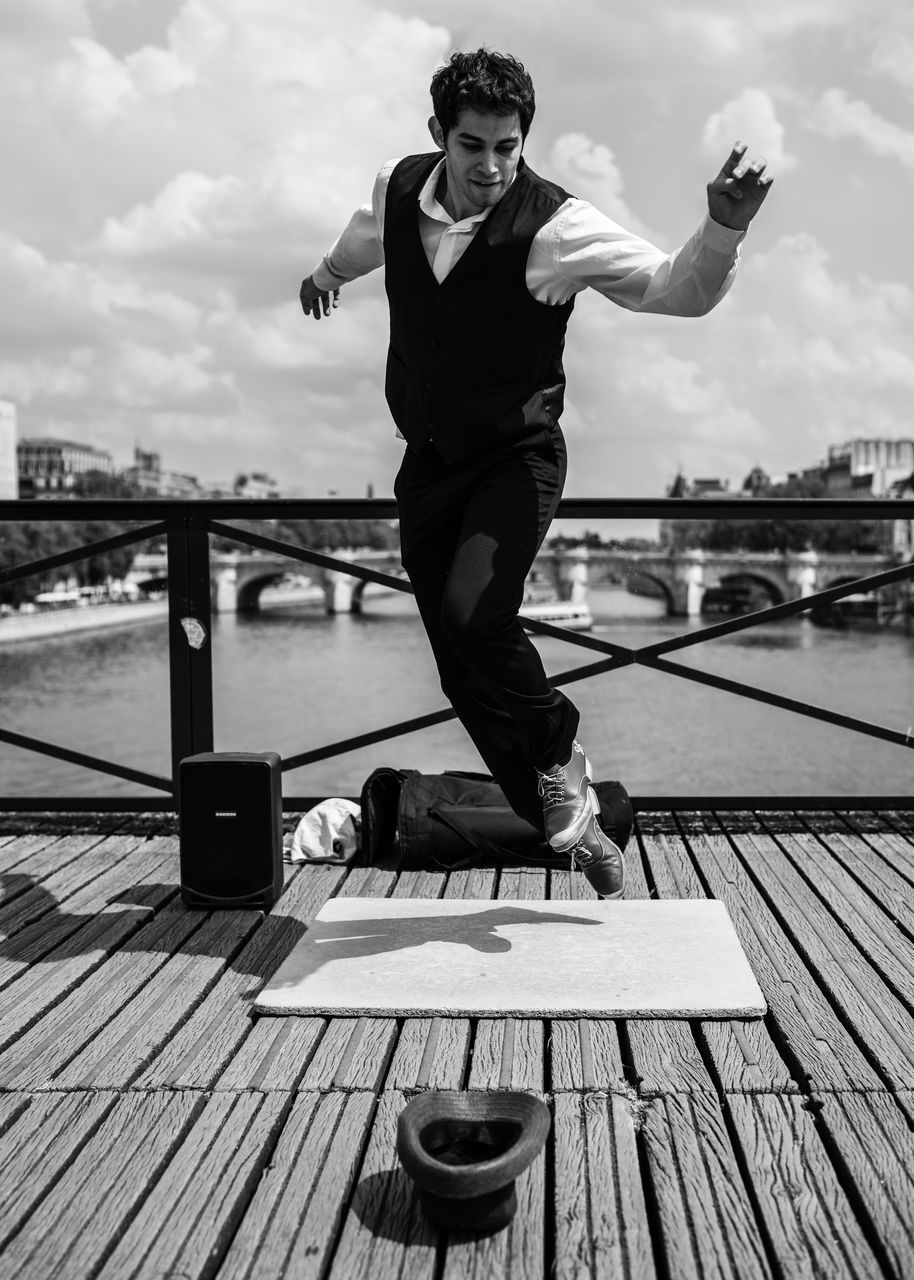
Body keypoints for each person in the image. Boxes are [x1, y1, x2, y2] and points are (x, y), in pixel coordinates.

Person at [300, 49, 772, 898]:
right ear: (438, 133)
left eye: (508, 148)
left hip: (517, 458)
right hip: (432, 463)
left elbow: (674, 290)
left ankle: (558, 751)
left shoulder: (556, 226)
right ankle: (572, 824)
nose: (489, 168)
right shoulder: (398, 185)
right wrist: (327, 276)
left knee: (475, 615)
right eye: (472, 145)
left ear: (525, 140)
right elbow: (366, 237)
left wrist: (724, 228)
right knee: (456, 664)